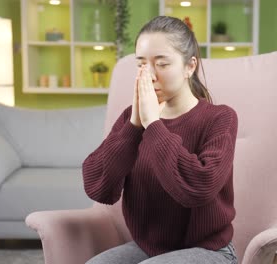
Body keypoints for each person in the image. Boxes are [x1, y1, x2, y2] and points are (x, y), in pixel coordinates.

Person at [82, 16, 238, 264]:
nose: (150, 75)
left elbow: (198, 188)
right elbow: (97, 186)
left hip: (210, 251)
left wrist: (153, 124)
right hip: (150, 250)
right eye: (142, 64)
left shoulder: (220, 118)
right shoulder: (132, 119)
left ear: (190, 66)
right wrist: (134, 126)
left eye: (162, 64)